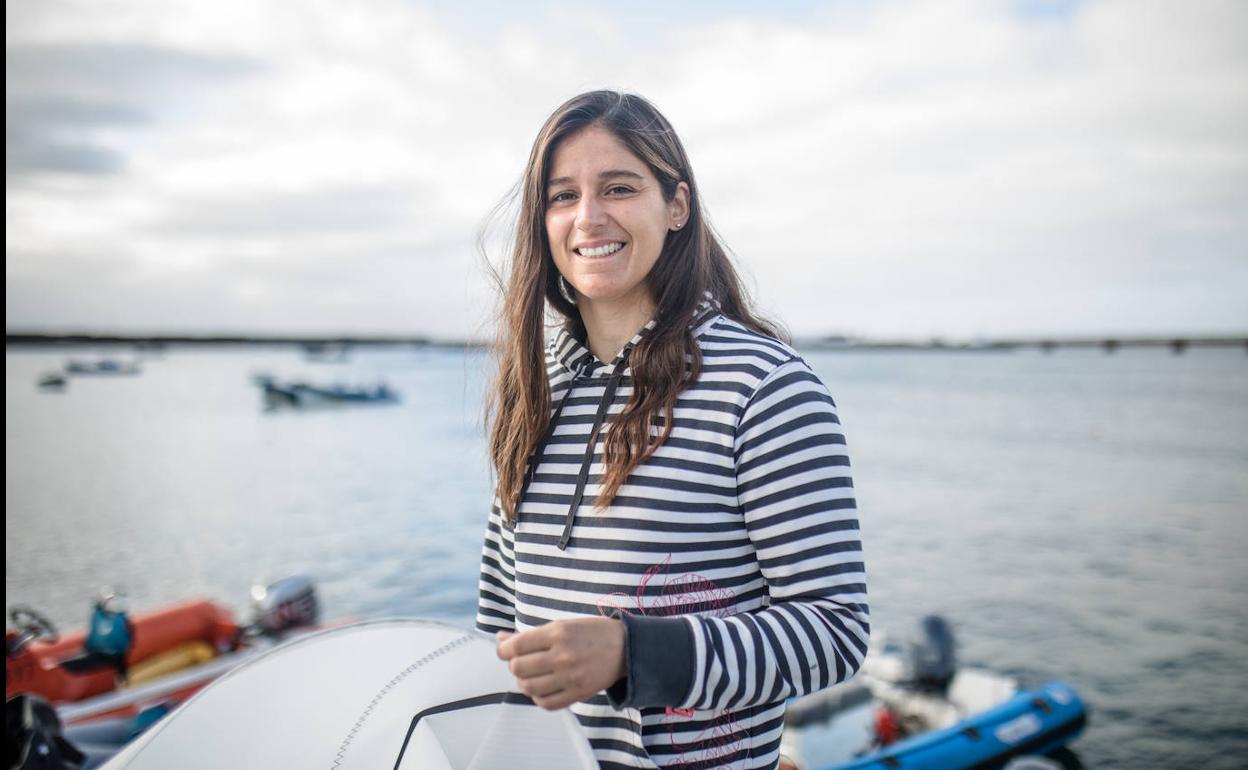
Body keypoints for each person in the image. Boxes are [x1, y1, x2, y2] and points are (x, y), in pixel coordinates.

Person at [477, 90, 869, 770]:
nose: (588, 217)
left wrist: (633, 654)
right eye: (563, 196)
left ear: (677, 205)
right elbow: (493, 624)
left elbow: (834, 632)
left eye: (619, 188)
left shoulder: (763, 386)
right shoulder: (536, 390)